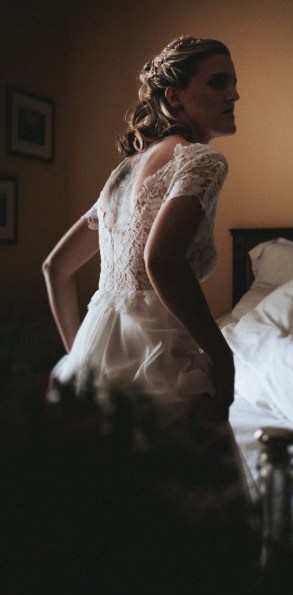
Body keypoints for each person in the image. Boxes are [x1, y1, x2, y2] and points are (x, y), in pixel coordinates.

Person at [42, 36, 239, 422]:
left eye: (234, 84)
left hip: (96, 353)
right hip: (157, 360)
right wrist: (221, 355)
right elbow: (162, 261)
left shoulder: (122, 174)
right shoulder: (201, 160)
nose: (234, 95)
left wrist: (77, 354)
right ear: (176, 95)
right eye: (218, 83)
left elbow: (56, 268)